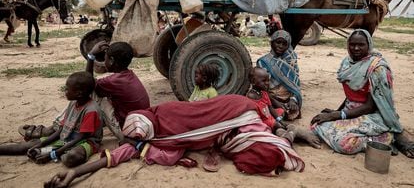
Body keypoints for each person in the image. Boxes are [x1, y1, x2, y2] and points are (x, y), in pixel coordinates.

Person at [44, 95, 305, 188]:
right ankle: (287, 135)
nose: (136, 140)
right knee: (263, 151)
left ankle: (287, 133)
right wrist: (73, 174)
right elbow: (113, 158)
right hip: (230, 126)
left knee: (260, 143)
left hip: (235, 110)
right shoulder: (148, 140)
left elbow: (198, 113)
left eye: (138, 136)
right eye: (137, 138)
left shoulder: (164, 114)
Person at [310, 29, 408, 155]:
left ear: (369, 45)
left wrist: (339, 115)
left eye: (361, 45)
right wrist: (337, 111)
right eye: (352, 44)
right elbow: (351, 96)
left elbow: (369, 106)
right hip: (351, 111)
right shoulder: (347, 63)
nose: (356, 48)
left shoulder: (377, 68)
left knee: (344, 144)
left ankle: (383, 139)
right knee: (316, 125)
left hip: (373, 115)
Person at [0, 71, 103, 167]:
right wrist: (40, 144)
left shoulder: (91, 110)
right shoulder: (73, 104)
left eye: (67, 89)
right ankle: (45, 150)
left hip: (86, 142)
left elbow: (80, 138)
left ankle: (50, 152)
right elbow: (61, 130)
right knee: (28, 146)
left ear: (79, 93)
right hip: (66, 138)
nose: (65, 91)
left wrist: (53, 155)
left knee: (72, 157)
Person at [86, 41, 150, 141]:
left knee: (90, 91)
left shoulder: (114, 81)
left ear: (111, 60)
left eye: (105, 58)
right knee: (101, 94)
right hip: (142, 125)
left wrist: (91, 56)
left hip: (128, 131)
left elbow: (87, 83)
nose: (104, 61)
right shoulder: (128, 75)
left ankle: (65, 123)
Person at [257, 30, 302, 120]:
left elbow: (295, 85)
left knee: (291, 110)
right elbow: (261, 87)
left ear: (288, 46)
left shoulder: (291, 61)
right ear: (271, 43)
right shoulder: (263, 62)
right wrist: (276, 102)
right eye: (278, 42)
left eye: (284, 44)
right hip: (270, 97)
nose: (280, 46)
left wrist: (293, 100)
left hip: (288, 98)